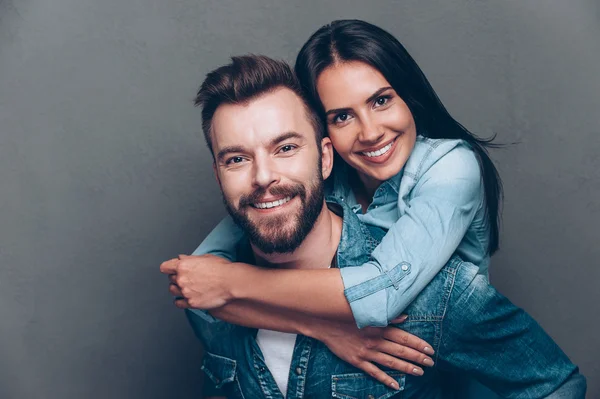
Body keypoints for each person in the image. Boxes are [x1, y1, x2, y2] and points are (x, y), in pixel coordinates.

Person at [160, 54, 586, 398]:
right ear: (218, 175)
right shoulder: (207, 296)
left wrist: (234, 281)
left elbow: (556, 384)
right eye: (236, 159)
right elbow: (202, 281)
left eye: (286, 148)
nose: (262, 177)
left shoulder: (432, 298)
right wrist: (322, 327)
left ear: (325, 159)